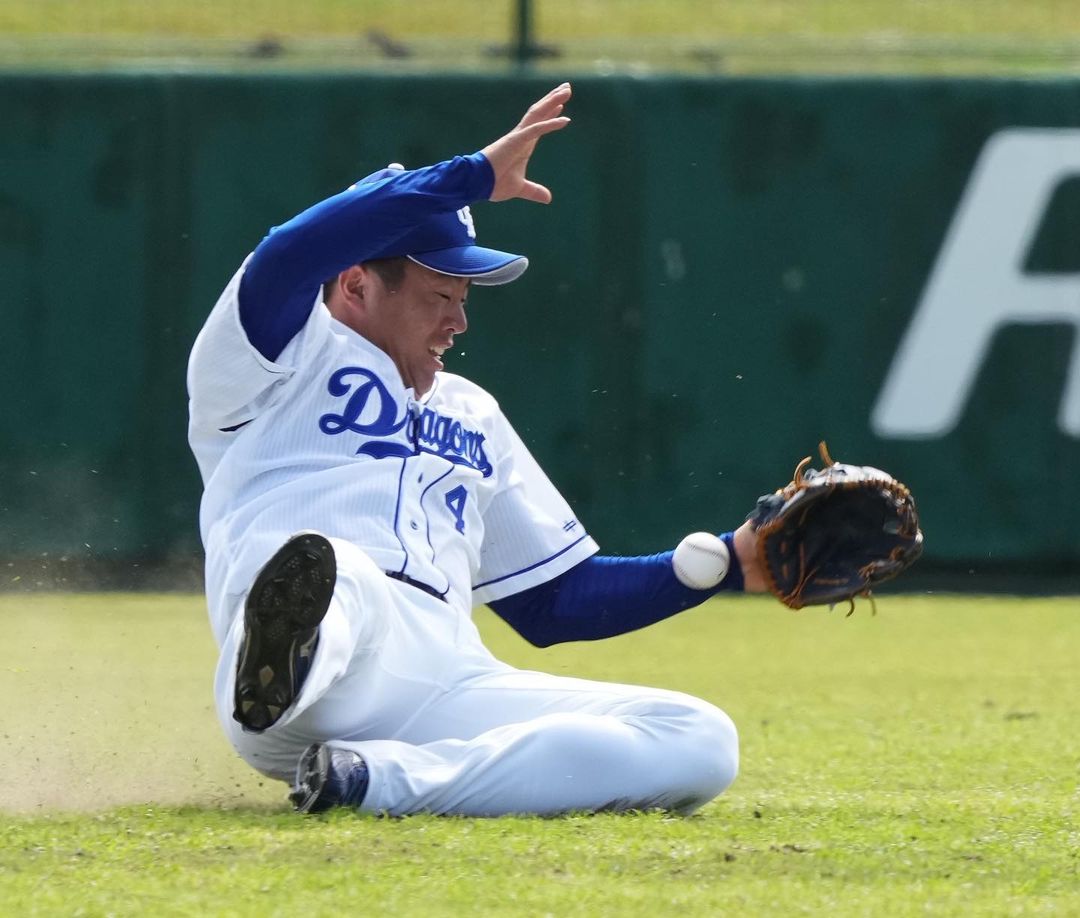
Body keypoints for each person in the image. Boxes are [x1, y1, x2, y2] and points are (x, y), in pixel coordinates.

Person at [187, 83, 766, 818]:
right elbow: (290, 253)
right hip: (324, 655)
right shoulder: (272, 359)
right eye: (441, 294)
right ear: (358, 282)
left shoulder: (474, 412)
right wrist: (469, 176)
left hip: (443, 680)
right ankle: (279, 666)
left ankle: (376, 781)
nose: (460, 319)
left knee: (697, 738)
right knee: (340, 573)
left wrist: (725, 562)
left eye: (466, 296)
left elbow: (554, 602)